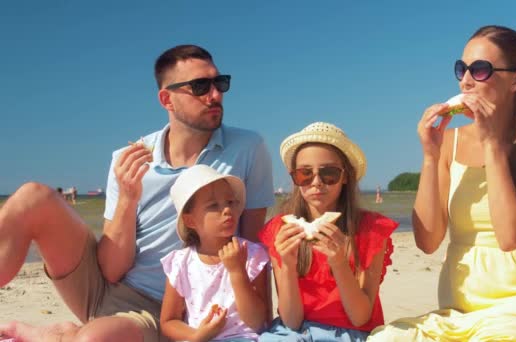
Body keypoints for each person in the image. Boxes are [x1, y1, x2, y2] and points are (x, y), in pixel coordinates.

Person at [0, 44, 274, 341]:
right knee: (33, 198)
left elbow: (249, 248)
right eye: (200, 86)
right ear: (166, 99)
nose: (216, 95)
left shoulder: (247, 148)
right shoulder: (131, 158)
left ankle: (58, 335)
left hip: (167, 310)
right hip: (107, 287)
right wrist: (128, 200)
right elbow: (111, 270)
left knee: (92, 339)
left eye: (220, 83)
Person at [369, 25, 516, 341]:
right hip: (460, 310)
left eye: (479, 70)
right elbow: (427, 241)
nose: (465, 80)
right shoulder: (449, 143)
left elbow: (510, 236)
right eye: (461, 68)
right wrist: (430, 155)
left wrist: (492, 144)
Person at [258, 122, 398, 341]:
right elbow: (291, 320)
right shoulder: (280, 229)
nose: (316, 182)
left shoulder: (370, 230)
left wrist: (340, 264)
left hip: (353, 333)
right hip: (296, 331)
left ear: (345, 177)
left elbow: (360, 317)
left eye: (329, 173)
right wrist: (287, 266)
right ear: (294, 178)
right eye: (305, 173)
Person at [160, 165, 269, 341]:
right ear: (190, 220)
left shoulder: (251, 255)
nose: (227, 210)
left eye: (231, 202)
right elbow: (169, 321)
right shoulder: (180, 262)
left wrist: (237, 271)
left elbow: (258, 322)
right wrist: (199, 335)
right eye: (213, 205)